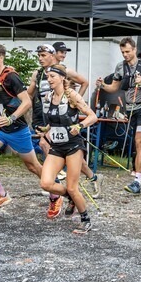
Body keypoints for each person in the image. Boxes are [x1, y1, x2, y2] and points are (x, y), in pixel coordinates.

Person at [0, 43, 43, 213]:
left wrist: (11, 118)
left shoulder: (11, 77)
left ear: (1, 58)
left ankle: (56, 193)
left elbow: (26, 102)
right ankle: (1, 194)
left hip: (17, 128)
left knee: (33, 166)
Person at [36, 64, 98, 233]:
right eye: (48, 77)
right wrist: (45, 129)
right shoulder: (47, 97)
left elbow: (93, 116)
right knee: (46, 183)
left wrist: (80, 125)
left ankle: (85, 219)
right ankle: (70, 198)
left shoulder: (71, 95)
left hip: (73, 146)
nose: (49, 80)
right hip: (56, 146)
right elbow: (51, 122)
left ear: (62, 78)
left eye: (52, 77)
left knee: (72, 186)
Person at [94, 38, 141, 195]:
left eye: (128, 51)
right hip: (131, 109)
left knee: (140, 142)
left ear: (135, 49)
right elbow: (114, 88)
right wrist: (102, 85)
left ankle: (137, 181)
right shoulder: (120, 67)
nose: (125, 55)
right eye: (123, 52)